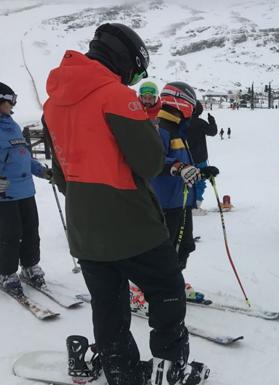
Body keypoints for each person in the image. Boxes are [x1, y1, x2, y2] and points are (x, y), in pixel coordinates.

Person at [43, 23, 209, 385]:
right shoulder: (116, 96)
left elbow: (59, 174)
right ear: (124, 59)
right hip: (132, 223)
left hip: (85, 228)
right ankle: (170, 367)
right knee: (166, 289)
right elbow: (149, 162)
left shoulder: (52, 103)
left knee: (108, 302)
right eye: (135, 70)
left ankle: (122, 370)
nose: (135, 79)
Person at [150, 82, 219, 269]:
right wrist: (179, 167)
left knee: (185, 246)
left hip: (182, 201)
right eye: (191, 103)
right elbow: (153, 160)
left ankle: (176, 284)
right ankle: (154, 290)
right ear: (180, 102)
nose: (193, 108)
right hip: (166, 204)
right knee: (166, 250)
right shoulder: (160, 128)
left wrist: (200, 172)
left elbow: (182, 166)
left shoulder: (178, 129)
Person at [0, 82, 52, 296]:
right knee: (9, 234)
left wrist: (43, 171)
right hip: (5, 193)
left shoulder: (12, 125)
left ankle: (30, 266)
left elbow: (24, 155)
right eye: (11, 100)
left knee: (31, 230)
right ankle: (7, 273)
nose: (14, 104)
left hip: (25, 190)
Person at [186, 100, 217, 216]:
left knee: (188, 181)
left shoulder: (184, 122)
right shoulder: (200, 122)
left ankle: (188, 204)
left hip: (187, 158)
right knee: (200, 182)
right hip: (200, 158)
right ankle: (195, 206)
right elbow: (213, 132)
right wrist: (212, 121)